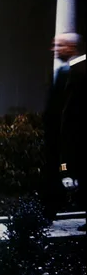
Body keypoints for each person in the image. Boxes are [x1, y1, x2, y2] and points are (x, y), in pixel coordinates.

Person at [43, 33, 83, 219]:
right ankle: (49, 209)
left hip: (71, 136)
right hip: (57, 136)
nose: (55, 49)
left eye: (60, 45)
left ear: (71, 48)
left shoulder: (77, 72)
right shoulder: (63, 72)